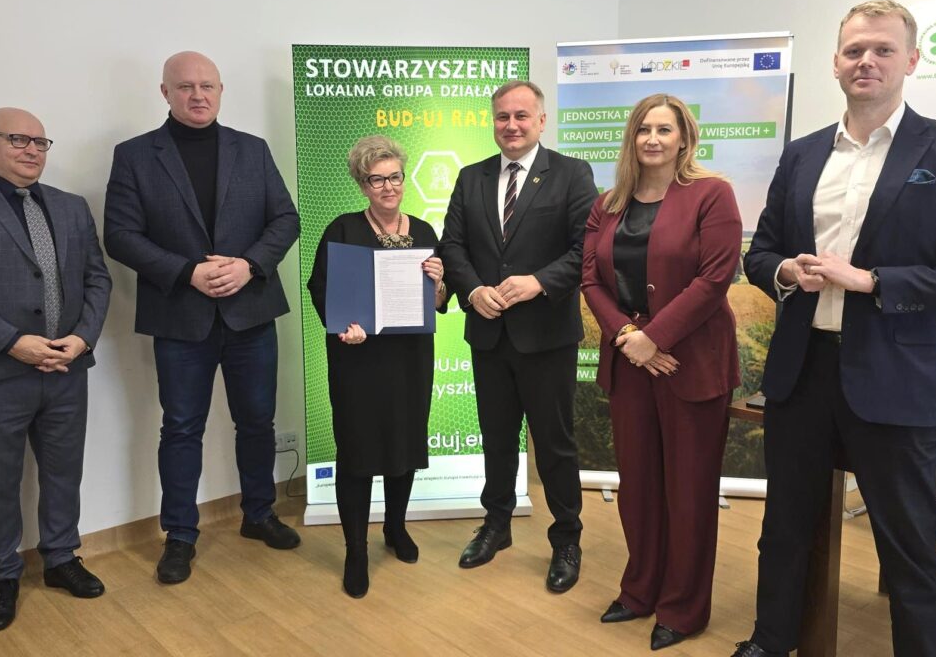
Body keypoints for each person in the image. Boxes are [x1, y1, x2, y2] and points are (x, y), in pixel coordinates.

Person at [734, 0, 936, 657]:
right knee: (784, 526)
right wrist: (784, 271)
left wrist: (872, 281)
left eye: (883, 49)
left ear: (911, 60)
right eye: (855, 50)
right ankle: (770, 641)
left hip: (896, 375)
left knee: (908, 544)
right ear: (835, 62)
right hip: (802, 372)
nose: (867, 61)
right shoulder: (802, 155)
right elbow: (760, 251)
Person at [104, 51, 301, 585]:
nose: (198, 95)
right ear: (164, 92)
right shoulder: (135, 155)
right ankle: (180, 535)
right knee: (181, 427)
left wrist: (249, 265)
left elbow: (286, 219)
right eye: (186, 86)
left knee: (257, 422)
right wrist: (186, 272)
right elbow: (120, 235)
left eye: (207, 86)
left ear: (220, 90)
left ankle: (258, 514)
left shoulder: (252, 149)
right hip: (180, 317)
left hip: (250, 312)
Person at [0, 108, 112, 631]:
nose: (32, 150)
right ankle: (2, 575)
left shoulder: (72, 206)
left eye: (40, 142)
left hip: (67, 368)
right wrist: (12, 343)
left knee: (63, 472)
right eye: (17, 139)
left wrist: (82, 337)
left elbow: (97, 279)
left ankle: (61, 558)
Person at [581, 94, 741, 650]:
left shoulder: (712, 194)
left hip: (690, 362)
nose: (652, 138)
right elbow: (590, 279)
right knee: (638, 486)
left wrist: (656, 338)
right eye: (643, 129)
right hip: (631, 361)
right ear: (631, 138)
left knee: (689, 491)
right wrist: (630, 338)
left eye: (664, 129)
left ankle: (683, 607)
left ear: (684, 139)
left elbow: (715, 278)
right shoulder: (607, 205)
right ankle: (640, 589)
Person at [439, 80, 597, 592]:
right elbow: (452, 245)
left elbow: (586, 249)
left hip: (547, 336)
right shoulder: (472, 177)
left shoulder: (572, 174)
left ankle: (566, 538)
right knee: (497, 438)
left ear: (541, 121)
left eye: (521, 116)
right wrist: (471, 290)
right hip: (489, 335)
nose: (511, 125)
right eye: (502, 116)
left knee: (555, 444)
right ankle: (496, 525)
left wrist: (539, 282)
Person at [307, 135, 447, 598]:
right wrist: (342, 326)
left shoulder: (424, 232)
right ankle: (355, 550)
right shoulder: (342, 229)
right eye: (376, 179)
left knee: (403, 443)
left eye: (394, 177)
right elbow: (320, 288)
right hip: (358, 359)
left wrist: (439, 284)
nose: (388, 187)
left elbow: (437, 302)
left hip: (409, 359)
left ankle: (395, 528)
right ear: (362, 185)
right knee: (358, 451)